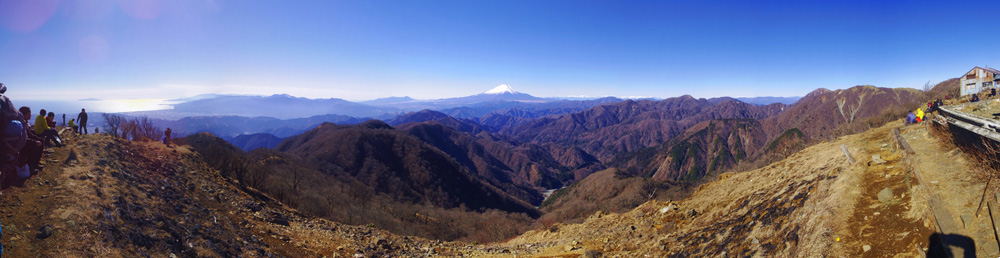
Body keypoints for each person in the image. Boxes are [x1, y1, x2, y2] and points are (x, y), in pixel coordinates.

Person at [18, 107, 44, 174]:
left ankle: (35, 163)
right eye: (29, 114)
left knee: (41, 141)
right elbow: (22, 139)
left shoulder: (25, 122)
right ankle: (31, 167)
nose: (30, 115)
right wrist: (34, 141)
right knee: (34, 146)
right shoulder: (20, 124)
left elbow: (29, 134)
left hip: (26, 141)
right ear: (24, 114)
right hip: (20, 144)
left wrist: (38, 139)